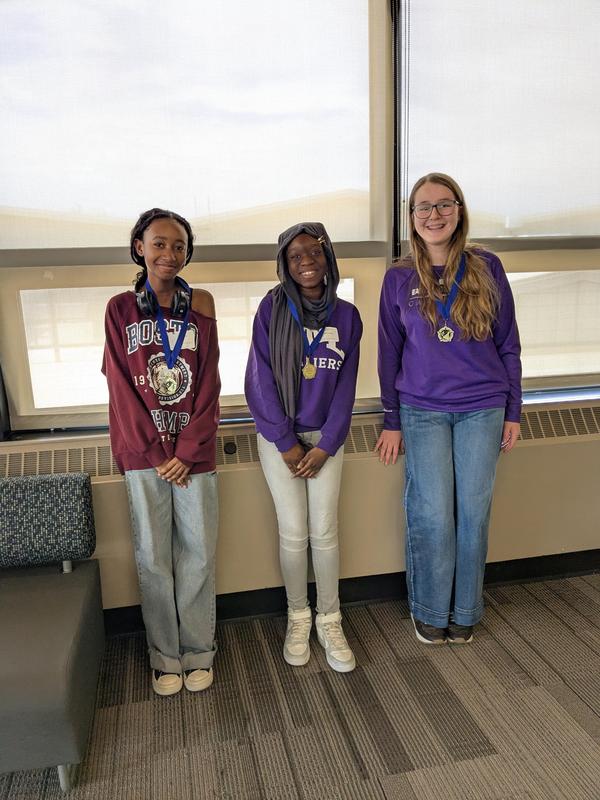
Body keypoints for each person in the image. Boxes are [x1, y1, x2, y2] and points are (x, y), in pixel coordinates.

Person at [376, 173, 521, 646]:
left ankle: (465, 611)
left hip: (483, 407)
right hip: (422, 411)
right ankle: (430, 609)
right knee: (432, 514)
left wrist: (513, 411)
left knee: (473, 514)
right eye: (423, 207)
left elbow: (509, 344)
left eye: (443, 205)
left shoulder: (487, 267)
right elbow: (388, 353)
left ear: (459, 210)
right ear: (411, 217)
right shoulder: (399, 276)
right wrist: (392, 420)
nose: (433, 215)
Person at [102, 208, 220, 695]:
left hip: (195, 456)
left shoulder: (204, 304)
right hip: (143, 457)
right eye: (158, 244)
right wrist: (155, 452)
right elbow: (120, 387)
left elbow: (210, 382)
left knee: (198, 556)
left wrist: (186, 450)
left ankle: (198, 652)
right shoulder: (119, 308)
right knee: (154, 559)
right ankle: (164, 656)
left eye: (178, 245)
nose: (169, 254)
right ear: (139, 247)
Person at [245, 222, 362, 672]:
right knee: (294, 532)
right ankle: (298, 615)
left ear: (328, 257)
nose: (306, 262)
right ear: (284, 265)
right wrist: (286, 443)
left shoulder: (348, 316)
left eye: (314, 252)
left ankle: (330, 618)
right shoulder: (270, 310)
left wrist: (328, 444)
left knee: (325, 531)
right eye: (295, 256)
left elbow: (347, 387)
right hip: (282, 441)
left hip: (326, 441)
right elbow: (258, 381)